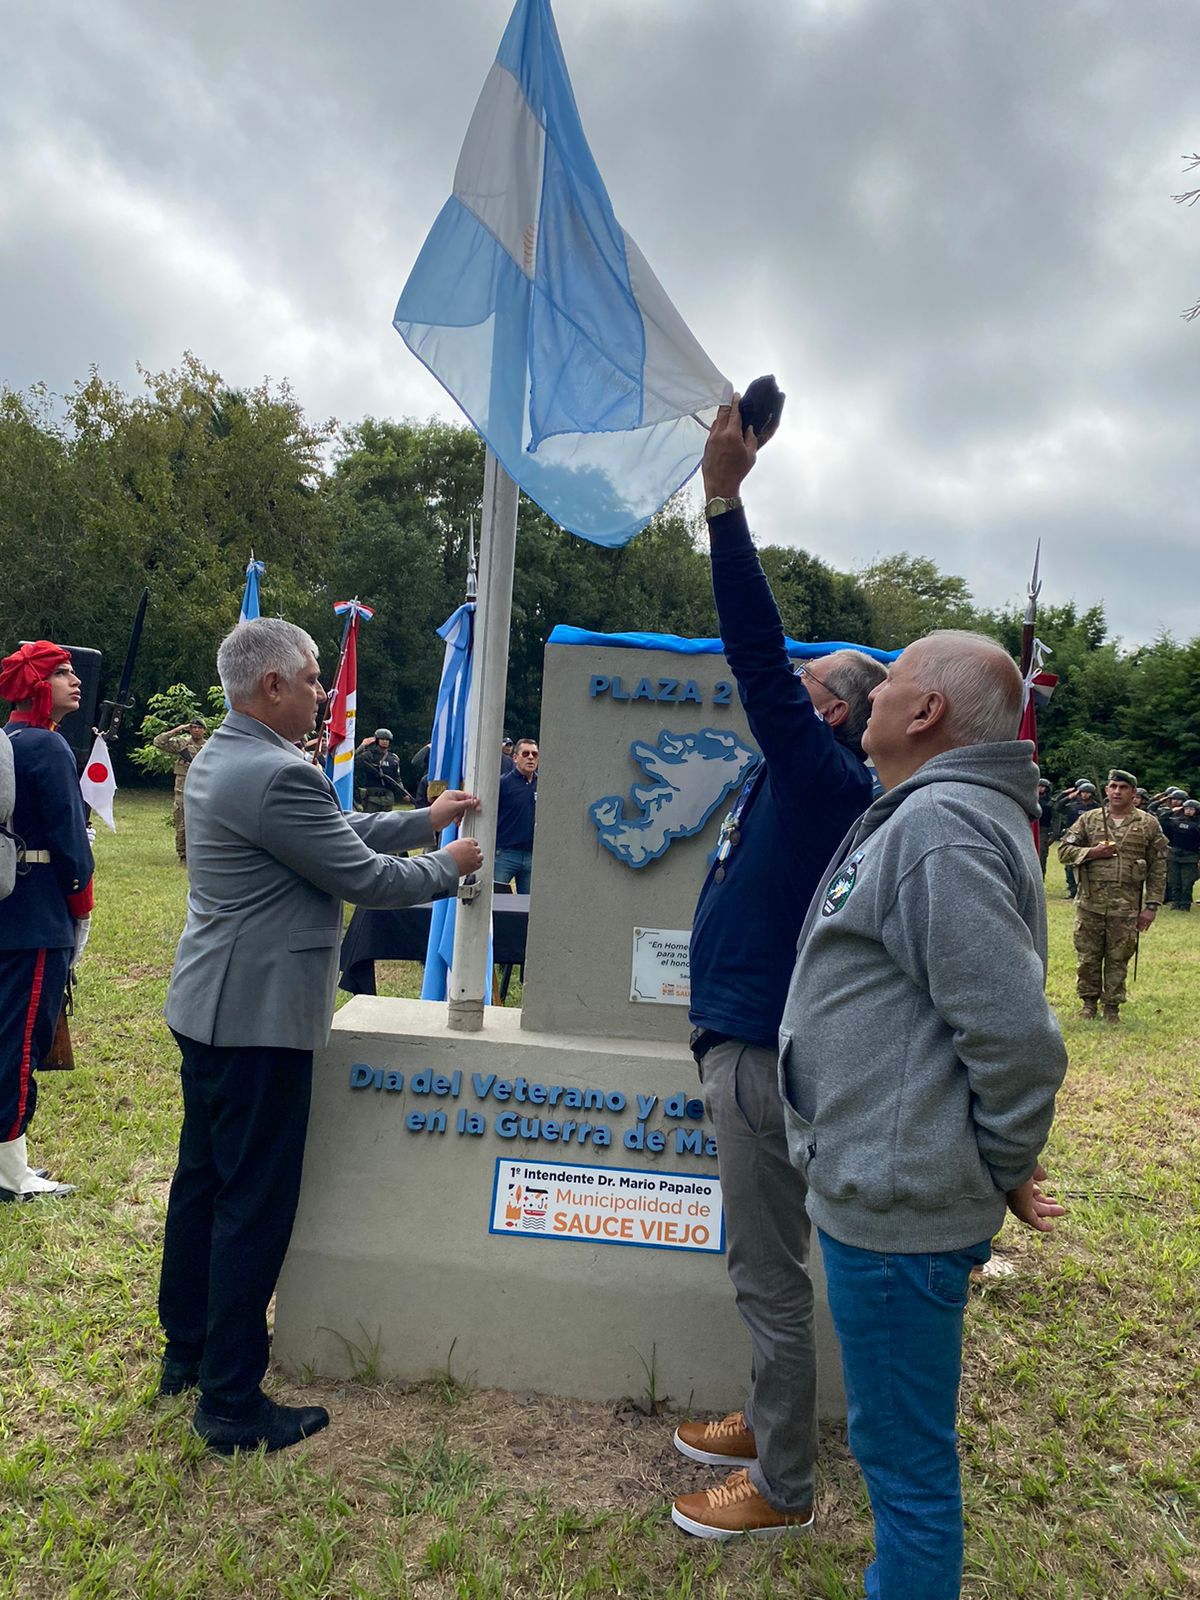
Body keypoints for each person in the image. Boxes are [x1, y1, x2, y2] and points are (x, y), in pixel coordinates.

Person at [779, 629, 1068, 1600]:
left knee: (903, 1466)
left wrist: (998, 1157)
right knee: (897, 1449)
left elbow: (1015, 1034)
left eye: (891, 677)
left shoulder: (939, 826)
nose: (871, 692)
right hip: (893, 1185)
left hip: (901, 1203)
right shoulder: (936, 816)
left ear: (928, 710)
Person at [157, 619, 483, 1454]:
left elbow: (335, 832)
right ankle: (230, 1403)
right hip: (260, 1020)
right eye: (310, 681)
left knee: (202, 1183)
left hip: (212, 1008)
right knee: (253, 1204)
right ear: (272, 686)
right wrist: (452, 865)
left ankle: (187, 1353)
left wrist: (424, 818)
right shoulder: (274, 774)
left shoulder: (230, 756)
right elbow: (363, 877)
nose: (321, 693)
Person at [670, 397, 886, 1540]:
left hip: (760, 1058)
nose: (782, 701)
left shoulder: (823, 777)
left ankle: (785, 1486)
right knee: (762, 1265)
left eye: (806, 695)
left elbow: (755, 649)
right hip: (741, 1039)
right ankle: (770, 1417)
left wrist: (723, 501)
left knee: (766, 1274)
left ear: (838, 712)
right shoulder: (793, 779)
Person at [0, 642, 94, 1201]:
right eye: (59, 673)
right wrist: (79, 904)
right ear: (36, 685)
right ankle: (10, 1172)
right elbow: (68, 840)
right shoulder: (48, 746)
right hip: (36, 917)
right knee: (20, 1041)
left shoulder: (7, 741)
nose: (73, 680)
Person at [1057, 769, 1167, 1022]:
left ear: (1133, 793)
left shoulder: (1148, 824)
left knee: (1119, 958)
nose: (1117, 791)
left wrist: (1151, 906)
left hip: (1126, 906)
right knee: (1088, 956)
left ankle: (1112, 1006)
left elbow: (1158, 866)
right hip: (1090, 903)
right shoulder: (1089, 819)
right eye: (1113, 786)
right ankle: (1088, 1003)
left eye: (1123, 787)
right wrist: (1092, 853)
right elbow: (1064, 851)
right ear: (1106, 790)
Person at [153, 719, 208, 863]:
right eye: (193, 727)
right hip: (182, 786)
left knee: (202, 821)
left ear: (204, 730)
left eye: (199, 727)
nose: (196, 730)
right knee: (181, 818)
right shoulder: (182, 744)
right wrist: (177, 730)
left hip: (203, 785)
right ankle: (183, 854)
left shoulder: (210, 746)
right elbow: (158, 742)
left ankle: (200, 853)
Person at [494, 738, 538, 892]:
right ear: (515, 758)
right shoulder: (502, 784)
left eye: (534, 754)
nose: (531, 757)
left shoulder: (544, 784)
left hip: (532, 855)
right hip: (505, 854)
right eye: (525, 753)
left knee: (529, 907)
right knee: (497, 903)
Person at [1053, 779, 1097, 898]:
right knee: (1070, 864)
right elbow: (1057, 806)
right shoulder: (1072, 806)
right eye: (1082, 792)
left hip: (1089, 837)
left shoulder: (1096, 808)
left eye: (1087, 792)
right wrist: (1068, 797)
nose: (1085, 795)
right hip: (1073, 837)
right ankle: (1073, 891)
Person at [353, 728, 412, 812]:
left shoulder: (394, 758)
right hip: (371, 798)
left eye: (387, 739)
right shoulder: (369, 755)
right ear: (377, 740)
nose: (385, 741)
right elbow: (352, 762)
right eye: (382, 739)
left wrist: (403, 793)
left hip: (388, 798)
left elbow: (397, 778)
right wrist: (362, 746)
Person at [1162, 798, 1200, 910]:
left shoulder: (1198, 824)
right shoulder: (1175, 821)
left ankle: (1185, 905)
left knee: (1187, 883)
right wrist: (1173, 810)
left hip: (1191, 856)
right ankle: (1175, 903)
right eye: (1186, 808)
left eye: (1191, 809)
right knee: (1174, 881)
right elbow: (1162, 819)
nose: (1188, 811)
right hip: (1174, 854)